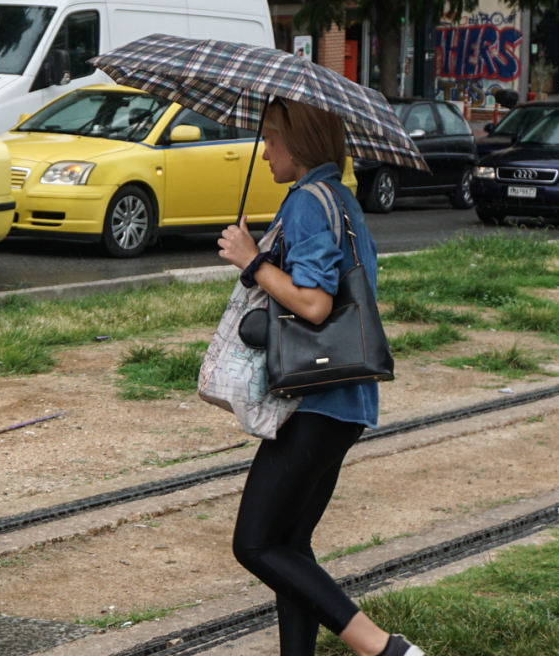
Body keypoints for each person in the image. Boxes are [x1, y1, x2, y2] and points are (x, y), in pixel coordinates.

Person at [217, 97, 423, 656]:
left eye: (271, 140)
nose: (265, 153)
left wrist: (252, 261)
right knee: (290, 543)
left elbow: (312, 304)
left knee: (255, 543)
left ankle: (382, 648)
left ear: (299, 141)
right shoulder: (340, 199)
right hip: (344, 400)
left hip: (317, 398)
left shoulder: (310, 202)